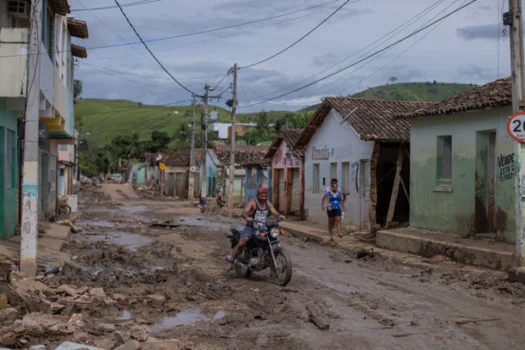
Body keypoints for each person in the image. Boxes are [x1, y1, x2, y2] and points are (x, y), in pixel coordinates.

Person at [226, 187, 286, 270]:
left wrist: (279, 216)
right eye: (261, 196)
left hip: (262, 227)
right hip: (251, 227)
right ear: (258, 195)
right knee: (243, 240)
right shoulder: (252, 203)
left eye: (265, 196)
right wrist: (247, 217)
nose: (263, 198)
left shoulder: (268, 203)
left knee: (270, 238)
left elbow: (274, 212)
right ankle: (231, 261)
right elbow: (243, 213)